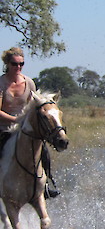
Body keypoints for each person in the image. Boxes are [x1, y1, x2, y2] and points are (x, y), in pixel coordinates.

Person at [0, 47, 60, 198]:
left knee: (43, 151)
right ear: (7, 64)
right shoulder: (1, 83)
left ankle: (46, 184)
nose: (18, 67)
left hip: (24, 127)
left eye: (21, 64)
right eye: (15, 64)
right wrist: (14, 119)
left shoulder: (29, 83)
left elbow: (32, 107)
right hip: (4, 127)